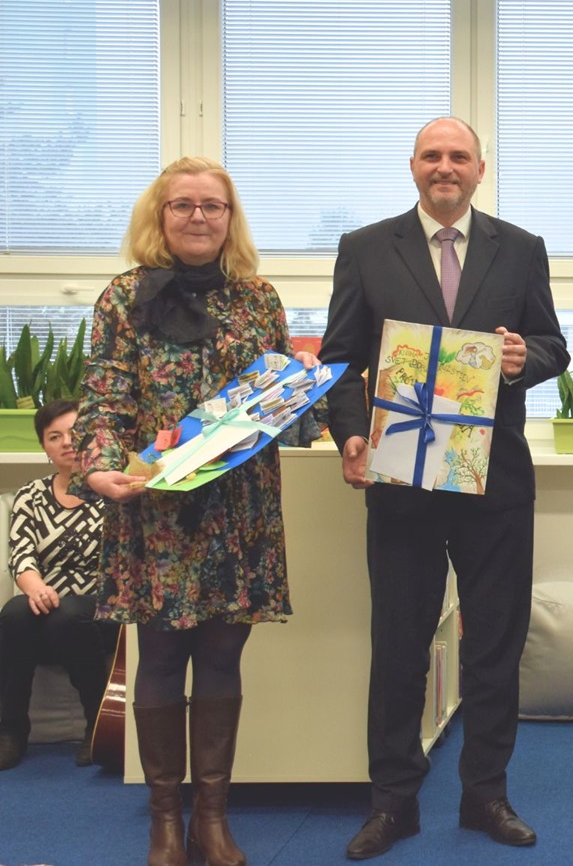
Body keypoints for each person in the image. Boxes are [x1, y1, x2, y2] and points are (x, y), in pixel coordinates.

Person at [321, 116, 567, 860]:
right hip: (402, 481)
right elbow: (339, 362)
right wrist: (351, 434)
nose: (445, 167)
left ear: (479, 170)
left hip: (497, 483)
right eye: (432, 155)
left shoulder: (521, 248)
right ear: (413, 166)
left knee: (494, 648)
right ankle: (393, 802)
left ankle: (485, 795)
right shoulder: (366, 248)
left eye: (459, 156)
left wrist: (526, 359)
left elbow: (554, 345)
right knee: (399, 648)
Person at [75, 156, 318, 866]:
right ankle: (164, 824)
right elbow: (103, 398)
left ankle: (211, 818)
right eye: (182, 205)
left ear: (229, 218)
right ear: (160, 215)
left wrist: (303, 387)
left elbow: (276, 401)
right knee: (159, 655)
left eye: (213, 206)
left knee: (221, 653)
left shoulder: (259, 299)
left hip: (239, 506)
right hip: (155, 505)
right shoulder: (123, 298)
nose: (198, 217)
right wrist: (102, 464)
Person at [0, 400, 116, 770]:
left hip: (101, 610)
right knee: (15, 612)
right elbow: (20, 554)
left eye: (75, 433)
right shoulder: (31, 496)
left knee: (68, 615)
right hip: (46, 606)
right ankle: (10, 731)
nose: (67, 442)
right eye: (55, 437)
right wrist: (35, 587)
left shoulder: (113, 491)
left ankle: (96, 726)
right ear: (44, 447)